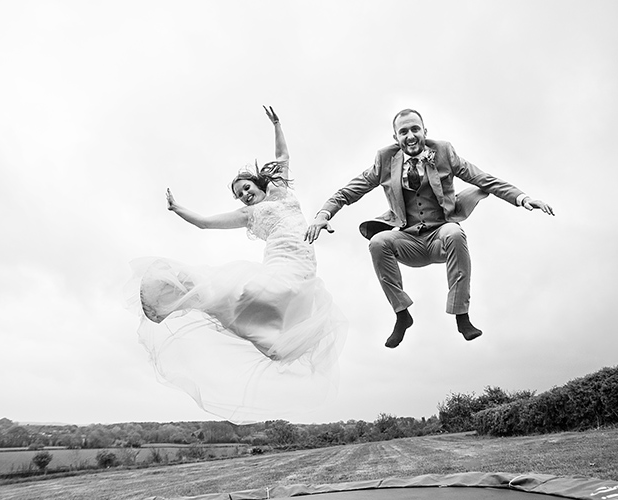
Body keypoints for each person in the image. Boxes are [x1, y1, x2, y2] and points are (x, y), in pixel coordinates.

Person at [126, 107, 347, 423]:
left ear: (257, 183)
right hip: (279, 264)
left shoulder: (282, 191)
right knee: (248, 293)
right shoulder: (249, 215)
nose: (244, 195)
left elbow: (283, 155)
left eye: (246, 188)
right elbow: (205, 223)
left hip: (304, 268)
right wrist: (178, 209)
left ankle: (224, 309)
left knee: (284, 318)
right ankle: (180, 292)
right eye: (239, 195)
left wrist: (277, 124)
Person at [305, 109, 554, 349]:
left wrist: (522, 198)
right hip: (408, 239)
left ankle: (461, 315)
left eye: (415, 129)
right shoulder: (384, 160)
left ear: (424, 131)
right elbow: (348, 191)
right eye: (403, 132)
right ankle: (402, 314)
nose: (410, 136)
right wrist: (322, 215)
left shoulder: (443, 152)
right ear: (396, 137)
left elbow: (483, 179)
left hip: (440, 235)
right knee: (378, 242)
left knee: (455, 232)